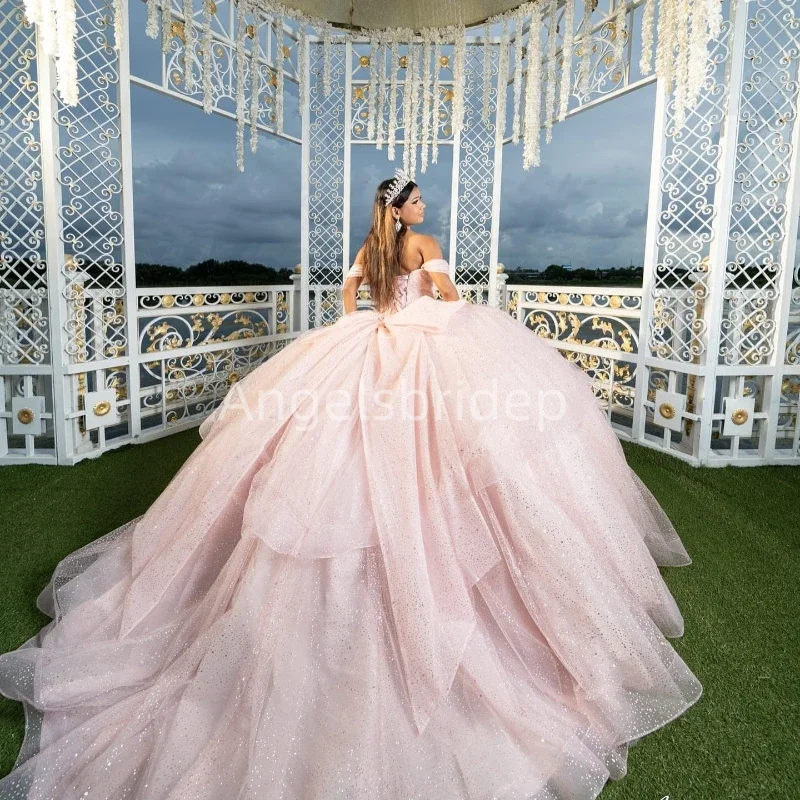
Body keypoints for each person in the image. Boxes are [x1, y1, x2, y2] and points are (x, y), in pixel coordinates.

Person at [0, 167, 702, 799]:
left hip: (367, 347)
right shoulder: (423, 251)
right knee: (453, 469)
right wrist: (440, 323)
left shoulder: (369, 252)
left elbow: (348, 303)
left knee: (332, 468)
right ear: (402, 211)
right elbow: (453, 305)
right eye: (418, 198)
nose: (425, 205)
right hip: (423, 357)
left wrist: (373, 328)